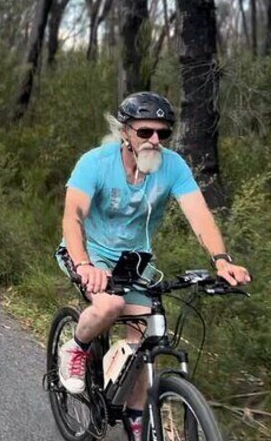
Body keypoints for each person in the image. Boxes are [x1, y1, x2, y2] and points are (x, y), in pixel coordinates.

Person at [55, 91, 251, 441]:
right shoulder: (95, 163)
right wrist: (84, 264)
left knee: (148, 338)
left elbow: (200, 216)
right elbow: (73, 216)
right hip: (91, 253)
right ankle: (77, 348)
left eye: (163, 133)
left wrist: (221, 261)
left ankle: (135, 417)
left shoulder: (172, 166)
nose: (155, 140)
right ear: (125, 133)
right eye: (145, 132)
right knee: (111, 305)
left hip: (136, 263)